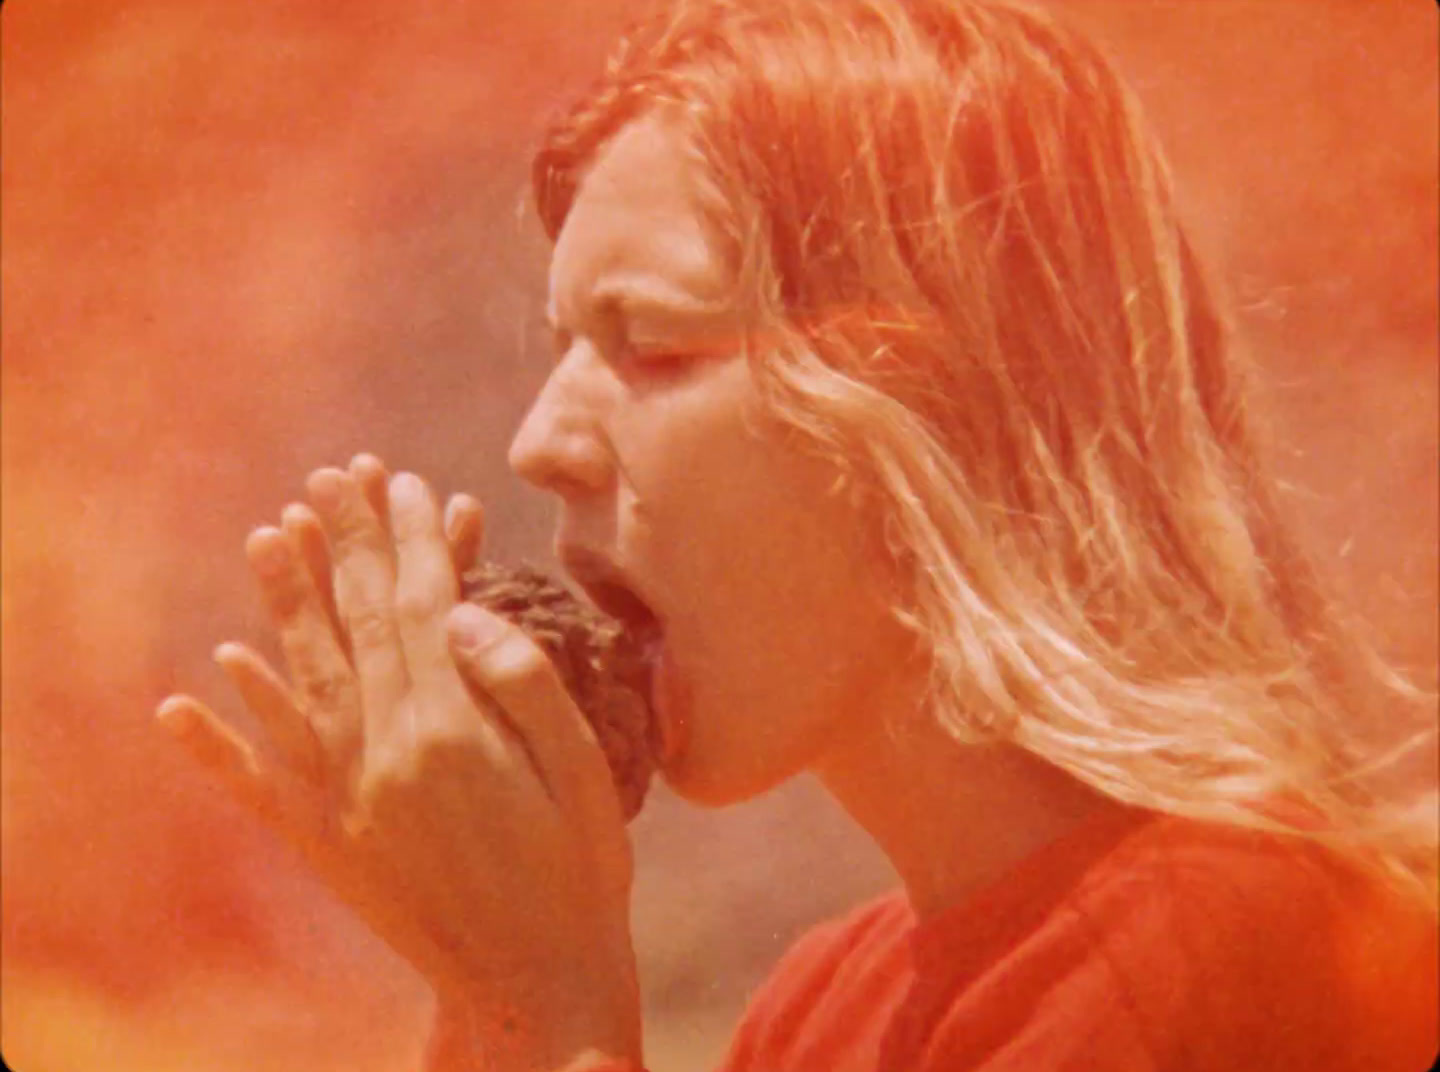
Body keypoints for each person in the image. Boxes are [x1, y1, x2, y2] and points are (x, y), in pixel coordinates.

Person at [156, 0, 1440, 1069]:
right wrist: (476, 984)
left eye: (651, 344)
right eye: (561, 354)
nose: (539, 439)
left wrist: (548, 1001)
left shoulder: (1215, 949)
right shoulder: (821, 1010)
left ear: (933, 411)